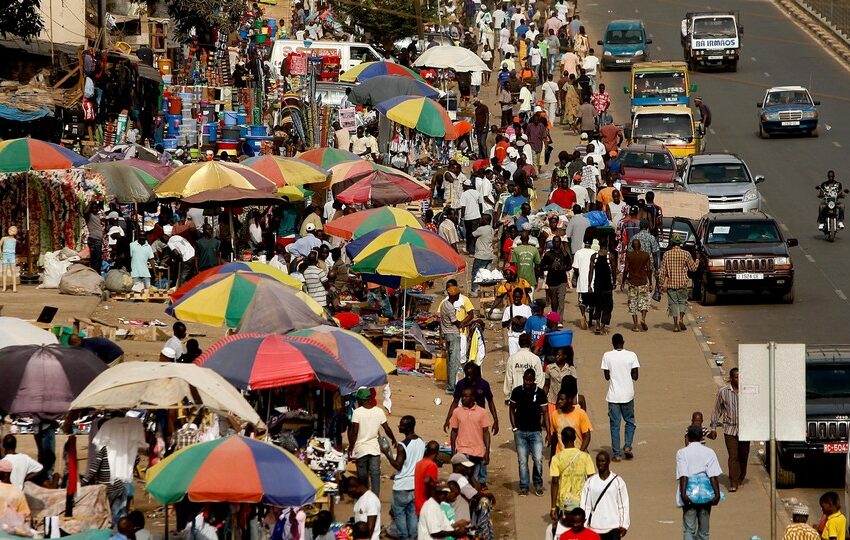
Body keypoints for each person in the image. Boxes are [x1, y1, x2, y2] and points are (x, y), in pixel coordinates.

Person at [382, 416, 425, 540]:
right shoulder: (421, 442)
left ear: (407, 427)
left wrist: (387, 453)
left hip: (402, 486)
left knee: (399, 515)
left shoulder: (402, 445)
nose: (399, 427)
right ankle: (413, 537)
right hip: (415, 484)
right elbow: (412, 464)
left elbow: (398, 465)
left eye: (401, 425)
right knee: (412, 514)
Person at [348, 387, 396, 497]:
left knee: (362, 475)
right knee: (375, 474)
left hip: (361, 449)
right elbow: (387, 428)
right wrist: (393, 439)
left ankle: (364, 496)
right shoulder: (379, 411)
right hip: (374, 449)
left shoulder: (357, 413)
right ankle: (375, 498)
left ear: (360, 400)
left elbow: (354, 432)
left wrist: (351, 446)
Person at [677, 424, 722, 539]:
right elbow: (713, 475)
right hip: (705, 495)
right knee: (704, 531)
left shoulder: (682, 453)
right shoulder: (709, 452)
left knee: (689, 529)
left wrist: (683, 494)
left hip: (689, 494)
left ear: (688, 437)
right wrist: (717, 495)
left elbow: (683, 475)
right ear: (702, 437)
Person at [509, 369, 550, 496]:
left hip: (536, 432)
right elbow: (511, 409)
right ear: (523, 378)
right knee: (522, 460)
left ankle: (538, 484)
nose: (527, 382)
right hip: (520, 432)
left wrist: (548, 432)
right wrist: (514, 428)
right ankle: (524, 486)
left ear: (534, 380)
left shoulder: (540, 393)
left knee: (538, 459)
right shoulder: (516, 392)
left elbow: (545, 413)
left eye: (530, 380)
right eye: (526, 380)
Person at [708, 367, 748, 492]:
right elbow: (717, 410)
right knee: (733, 456)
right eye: (736, 377)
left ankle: (740, 477)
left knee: (743, 456)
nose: (739, 379)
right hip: (729, 429)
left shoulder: (748, 391)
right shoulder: (723, 392)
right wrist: (713, 428)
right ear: (731, 378)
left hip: (746, 430)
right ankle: (733, 482)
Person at [601, 334, 639, 462]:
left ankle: (616, 454)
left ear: (612, 343)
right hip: (628, 394)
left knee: (615, 425)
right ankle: (627, 446)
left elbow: (606, 377)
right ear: (623, 342)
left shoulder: (607, 356)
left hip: (613, 396)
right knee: (630, 421)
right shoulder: (632, 355)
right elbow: (635, 376)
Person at [580, 451, 629, 539]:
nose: (600, 463)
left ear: (608, 462)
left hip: (613, 527)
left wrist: (624, 525)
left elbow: (623, 505)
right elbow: (585, 505)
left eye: (603, 461)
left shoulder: (618, 481)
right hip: (595, 527)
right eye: (598, 461)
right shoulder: (590, 482)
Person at [449, 387, 493, 486]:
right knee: (460, 481)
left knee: (474, 480)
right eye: (462, 396)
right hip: (462, 450)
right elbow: (453, 432)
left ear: (473, 397)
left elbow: (486, 432)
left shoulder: (482, 412)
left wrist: (486, 452)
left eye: (466, 396)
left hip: (477, 452)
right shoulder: (457, 412)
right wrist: (453, 451)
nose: (463, 399)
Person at [444, 362, 500, 436]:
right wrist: (448, 419)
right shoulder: (461, 384)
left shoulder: (483, 384)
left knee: (481, 436)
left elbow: (490, 402)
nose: (469, 377)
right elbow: (455, 402)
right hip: (464, 416)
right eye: (467, 375)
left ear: (475, 372)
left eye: (470, 375)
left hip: (479, 417)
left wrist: (495, 421)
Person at [550, 427, 596, 516]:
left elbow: (555, 482)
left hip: (564, 502)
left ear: (562, 439)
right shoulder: (585, 457)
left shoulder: (556, 458)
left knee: (565, 528)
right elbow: (591, 481)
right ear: (575, 438)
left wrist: (553, 507)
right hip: (582, 501)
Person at [659, 235, 698, 332]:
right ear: (680, 243)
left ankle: (676, 325)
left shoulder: (666, 254)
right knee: (682, 302)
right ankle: (681, 319)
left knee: (673, 304)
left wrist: (660, 283)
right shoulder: (686, 254)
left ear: (672, 243)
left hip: (671, 284)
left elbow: (663, 271)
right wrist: (697, 260)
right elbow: (693, 268)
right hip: (682, 283)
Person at [439, 286, 467, 394]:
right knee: (454, 361)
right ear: (453, 295)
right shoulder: (449, 307)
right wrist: (464, 323)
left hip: (447, 334)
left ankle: (451, 384)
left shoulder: (444, 304)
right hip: (453, 334)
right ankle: (451, 387)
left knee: (450, 361)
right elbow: (455, 321)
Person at [549, 386, 592, 454]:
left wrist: (579, 453)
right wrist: (552, 456)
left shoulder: (581, 413)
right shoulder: (555, 415)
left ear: (569, 399)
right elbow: (554, 438)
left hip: (578, 455)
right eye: (558, 399)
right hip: (561, 456)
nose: (559, 401)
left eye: (562, 399)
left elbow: (587, 436)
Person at [622, 238, 652, 332]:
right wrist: (650, 282)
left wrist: (623, 281)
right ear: (640, 246)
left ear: (632, 246)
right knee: (644, 302)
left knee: (632, 304)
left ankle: (635, 326)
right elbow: (648, 269)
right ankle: (643, 318)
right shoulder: (645, 255)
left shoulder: (629, 255)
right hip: (643, 281)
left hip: (632, 282)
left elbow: (626, 269)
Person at [588, 241, 615, 335]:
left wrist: (589, 285)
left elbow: (590, 272)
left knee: (598, 306)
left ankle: (598, 325)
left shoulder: (594, 256)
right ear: (606, 245)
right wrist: (614, 282)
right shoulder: (610, 256)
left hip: (597, 285)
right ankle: (603, 326)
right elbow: (614, 271)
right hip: (607, 286)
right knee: (607, 307)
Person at [345, 476, 381, 540]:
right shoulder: (358, 498)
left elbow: (371, 527)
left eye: (350, 493)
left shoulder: (371, 499)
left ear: (356, 488)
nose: (350, 496)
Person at [572, 237, 595, 330]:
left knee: (582, 301)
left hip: (581, 281)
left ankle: (583, 316)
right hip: (592, 282)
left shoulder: (578, 253)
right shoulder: (594, 253)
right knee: (592, 302)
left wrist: (579, 275)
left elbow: (575, 267)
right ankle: (590, 321)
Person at [502, 287, 533, 355]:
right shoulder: (508, 309)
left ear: (521, 297)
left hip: (524, 338)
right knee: (513, 358)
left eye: (518, 297)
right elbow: (503, 325)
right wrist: (510, 320)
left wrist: (525, 320)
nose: (516, 299)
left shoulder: (527, 309)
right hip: (513, 338)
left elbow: (531, 324)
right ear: (513, 297)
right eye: (515, 297)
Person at [471, 214, 496, 294]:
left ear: (485, 220)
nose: (480, 220)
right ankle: (487, 291)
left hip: (481, 255)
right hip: (489, 255)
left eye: (482, 219)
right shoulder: (491, 229)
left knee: (476, 273)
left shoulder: (481, 229)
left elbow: (472, 235)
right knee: (486, 274)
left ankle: (474, 290)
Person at [415, 440, 440, 516]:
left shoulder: (419, 463)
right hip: (426, 506)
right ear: (437, 452)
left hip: (417, 504)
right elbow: (431, 485)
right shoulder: (432, 465)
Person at [459, 180, 484, 254]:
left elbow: (463, 207)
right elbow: (480, 205)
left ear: (466, 186)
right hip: (476, 216)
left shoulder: (464, 194)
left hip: (468, 217)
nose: (463, 187)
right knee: (475, 234)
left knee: (469, 234)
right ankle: (473, 249)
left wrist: (462, 218)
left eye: (463, 185)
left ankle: (471, 250)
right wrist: (480, 214)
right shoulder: (477, 192)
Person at [84, 195, 104, 274]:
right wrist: (91, 201)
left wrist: (100, 198)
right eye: (94, 208)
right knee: (95, 261)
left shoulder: (97, 215)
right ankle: (95, 275)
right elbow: (85, 212)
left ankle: (96, 275)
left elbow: (101, 206)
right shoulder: (90, 216)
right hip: (94, 240)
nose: (96, 209)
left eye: (96, 208)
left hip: (98, 241)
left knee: (98, 260)